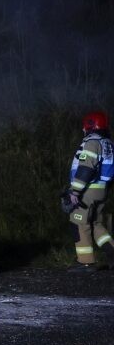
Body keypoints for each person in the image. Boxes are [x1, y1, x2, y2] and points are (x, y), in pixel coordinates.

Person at [64, 110, 113, 272]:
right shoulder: (107, 143)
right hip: (101, 191)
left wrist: (75, 192)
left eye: (85, 127)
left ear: (91, 126)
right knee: (96, 224)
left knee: (78, 223)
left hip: (87, 191)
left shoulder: (91, 142)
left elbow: (86, 168)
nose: (83, 130)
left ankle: (86, 262)